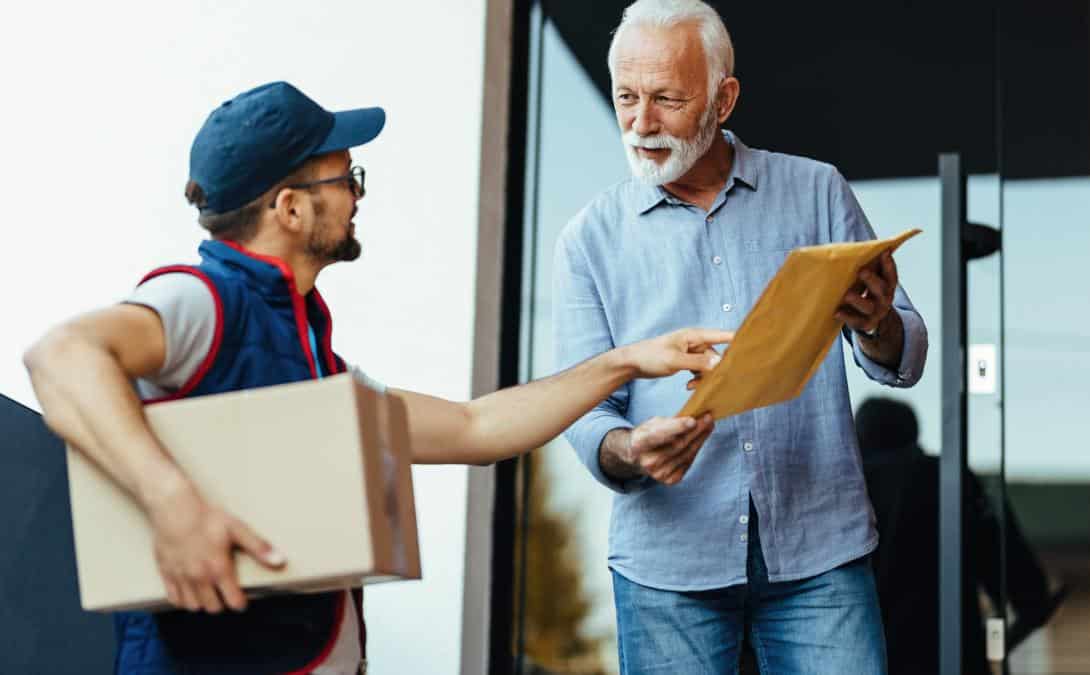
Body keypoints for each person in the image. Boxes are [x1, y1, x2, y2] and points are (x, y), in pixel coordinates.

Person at [22, 81, 733, 675]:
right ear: (290, 207)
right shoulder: (204, 302)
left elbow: (474, 427)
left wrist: (629, 359)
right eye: (345, 178)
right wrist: (172, 502)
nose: (358, 195)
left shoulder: (312, 358)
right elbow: (61, 356)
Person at [552, 1, 929, 671]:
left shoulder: (818, 192)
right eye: (626, 98)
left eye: (667, 99)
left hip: (821, 552)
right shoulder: (588, 240)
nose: (641, 123)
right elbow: (584, 414)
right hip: (667, 564)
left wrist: (876, 325)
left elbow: (907, 352)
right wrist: (630, 449)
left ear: (723, 99)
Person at [856, 397, 1064, 675]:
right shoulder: (949, 479)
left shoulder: (845, 492)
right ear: (913, 436)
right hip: (951, 660)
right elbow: (1023, 586)